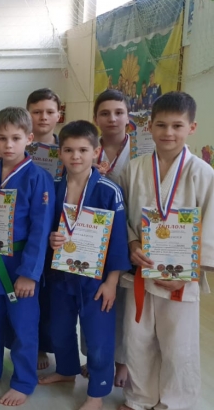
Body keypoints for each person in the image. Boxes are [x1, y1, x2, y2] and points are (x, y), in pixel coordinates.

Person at [118, 92, 213, 410]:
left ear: (192, 127)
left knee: (178, 344)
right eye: (161, 125)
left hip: (180, 278)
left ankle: (175, 403)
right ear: (149, 126)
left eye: (177, 125)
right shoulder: (134, 169)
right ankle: (139, 398)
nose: (168, 132)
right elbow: (122, 215)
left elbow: (211, 225)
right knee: (137, 339)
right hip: (141, 269)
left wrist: (190, 273)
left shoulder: (203, 172)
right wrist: (131, 243)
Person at [37, 120, 131, 410]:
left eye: (82, 150)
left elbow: (118, 240)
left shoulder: (109, 191)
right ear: (60, 153)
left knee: (98, 336)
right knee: (59, 328)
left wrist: (112, 282)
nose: (75, 156)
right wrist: (51, 238)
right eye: (68, 150)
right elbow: (44, 228)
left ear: (96, 151)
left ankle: (96, 393)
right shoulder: (53, 188)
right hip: (61, 274)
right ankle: (67, 369)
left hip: (96, 279)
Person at [0, 107, 54, 407]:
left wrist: (30, 273)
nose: (8, 145)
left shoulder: (38, 178)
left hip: (19, 264)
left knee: (23, 326)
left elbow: (41, 229)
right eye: (2, 138)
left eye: (16, 138)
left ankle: (23, 381)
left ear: (29, 138)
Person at [92, 89, 132, 386]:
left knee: (125, 304)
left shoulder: (143, 152)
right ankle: (95, 359)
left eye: (119, 112)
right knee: (97, 301)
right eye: (105, 113)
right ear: (96, 118)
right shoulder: (88, 149)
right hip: (91, 234)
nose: (112, 119)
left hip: (129, 233)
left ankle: (122, 362)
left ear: (128, 117)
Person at [26, 88, 62, 370]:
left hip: (61, 229)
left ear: (59, 115)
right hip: (27, 229)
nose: (43, 117)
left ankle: (52, 346)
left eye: (49, 111)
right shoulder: (16, 146)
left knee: (54, 294)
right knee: (29, 291)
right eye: (37, 112)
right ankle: (33, 345)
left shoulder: (68, 149)